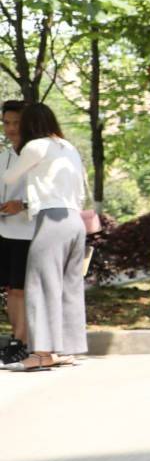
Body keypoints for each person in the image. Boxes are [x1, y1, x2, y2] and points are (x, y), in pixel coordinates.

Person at [0, 104, 88, 369]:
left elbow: (8, 177)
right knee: (68, 287)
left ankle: (39, 354)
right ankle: (66, 350)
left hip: (51, 221)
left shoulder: (35, 146)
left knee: (38, 285)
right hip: (75, 220)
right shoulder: (68, 147)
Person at [1, 101, 32, 363]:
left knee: (22, 289)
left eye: (16, 122)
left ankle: (23, 342)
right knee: (11, 289)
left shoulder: (37, 155)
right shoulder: (3, 157)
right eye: (6, 122)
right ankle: (16, 338)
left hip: (30, 231)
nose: (11, 128)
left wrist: (22, 205)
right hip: (5, 233)